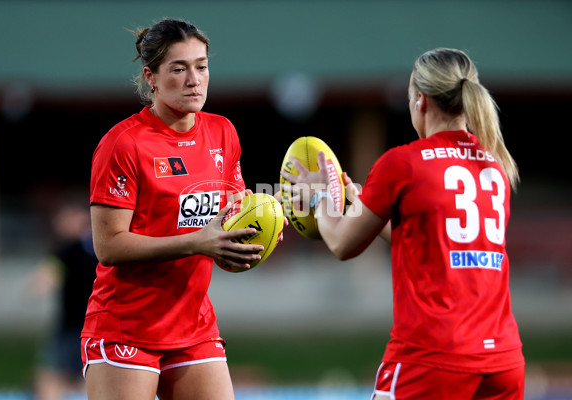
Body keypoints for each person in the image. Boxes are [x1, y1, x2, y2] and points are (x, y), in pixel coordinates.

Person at [282, 48, 525, 399]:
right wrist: (358, 201)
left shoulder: (403, 162)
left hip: (432, 359)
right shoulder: (495, 166)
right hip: (503, 361)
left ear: (420, 102)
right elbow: (427, 242)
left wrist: (320, 196)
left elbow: (341, 244)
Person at [81, 18, 264, 400]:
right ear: (151, 76)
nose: (193, 79)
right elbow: (109, 246)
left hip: (194, 326)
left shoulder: (222, 132)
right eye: (178, 69)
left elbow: (232, 216)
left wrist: (263, 226)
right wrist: (196, 243)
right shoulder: (123, 144)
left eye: (201, 66)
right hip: (126, 326)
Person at [32, 203, 97, 400]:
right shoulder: (103, 248)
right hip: (95, 329)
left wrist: (38, 286)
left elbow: (48, 275)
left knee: (48, 379)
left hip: (71, 331)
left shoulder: (70, 248)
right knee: (88, 379)